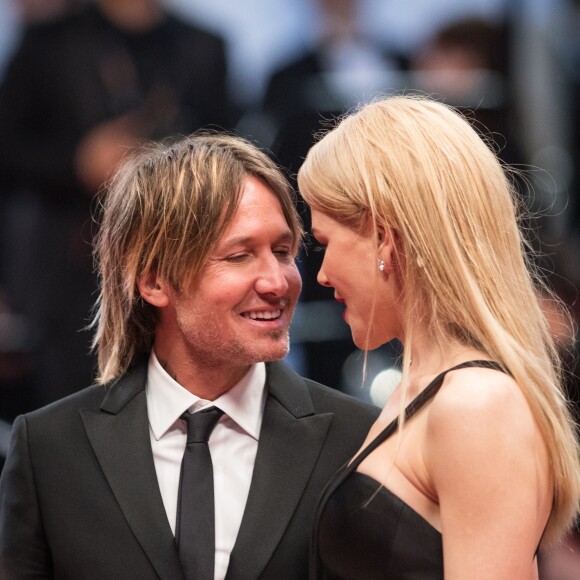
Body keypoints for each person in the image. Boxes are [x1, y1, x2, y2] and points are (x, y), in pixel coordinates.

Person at [0, 133, 379, 579]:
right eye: (239, 256)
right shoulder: (50, 449)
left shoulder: (360, 442)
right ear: (155, 282)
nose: (278, 282)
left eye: (282, 251)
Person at [297, 95, 580, 578]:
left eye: (324, 244)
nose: (320, 275)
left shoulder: (477, 404)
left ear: (385, 235)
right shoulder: (435, 390)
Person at [0, 0, 235, 411]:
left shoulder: (203, 46)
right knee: (76, 417)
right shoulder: (49, 43)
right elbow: (8, 151)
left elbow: (232, 152)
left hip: (183, 263)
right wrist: (77, 161)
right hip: (72, 274)